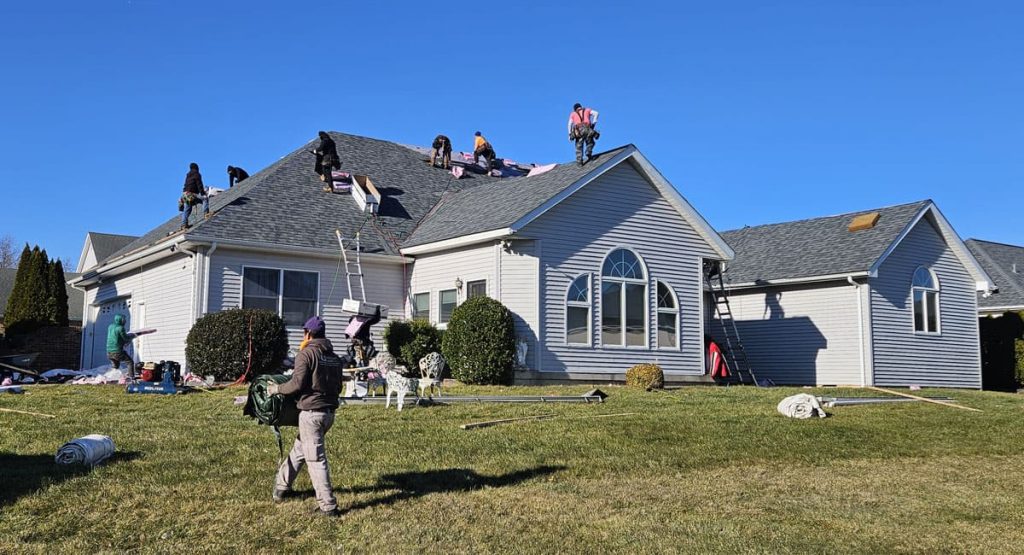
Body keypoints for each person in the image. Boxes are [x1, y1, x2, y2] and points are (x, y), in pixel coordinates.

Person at [268, 316, 347, 517]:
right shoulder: (334, 358)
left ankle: (328, 507)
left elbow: (296, 384)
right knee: (300, 450)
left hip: (311, 415)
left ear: (308, 333)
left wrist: (276, 389)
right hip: (328, 415)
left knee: (315, 460)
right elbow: (338, 387)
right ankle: (282, 487)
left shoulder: (306, 354)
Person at [106, 314, 136, 383]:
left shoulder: (110, 326)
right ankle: (132, 378)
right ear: (121, 320)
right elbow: (125, 338)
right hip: (117, 351)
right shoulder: (121, 328)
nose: (125, 321)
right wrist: (132, 336)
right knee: (129, 362)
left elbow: (116, 338)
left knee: (115, 367)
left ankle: (111, 379)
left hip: (109, 352)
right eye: (124, 320)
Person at [179, 162, 209, 230]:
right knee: (205, 198)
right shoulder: (197, 174)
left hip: (185, 195)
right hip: (190, 194)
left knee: (187, 209)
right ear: (197, 168)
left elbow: (186, 185)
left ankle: (184, 224)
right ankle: (206, 214)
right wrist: (203, 193)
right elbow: (199, 184)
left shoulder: (188, 175)